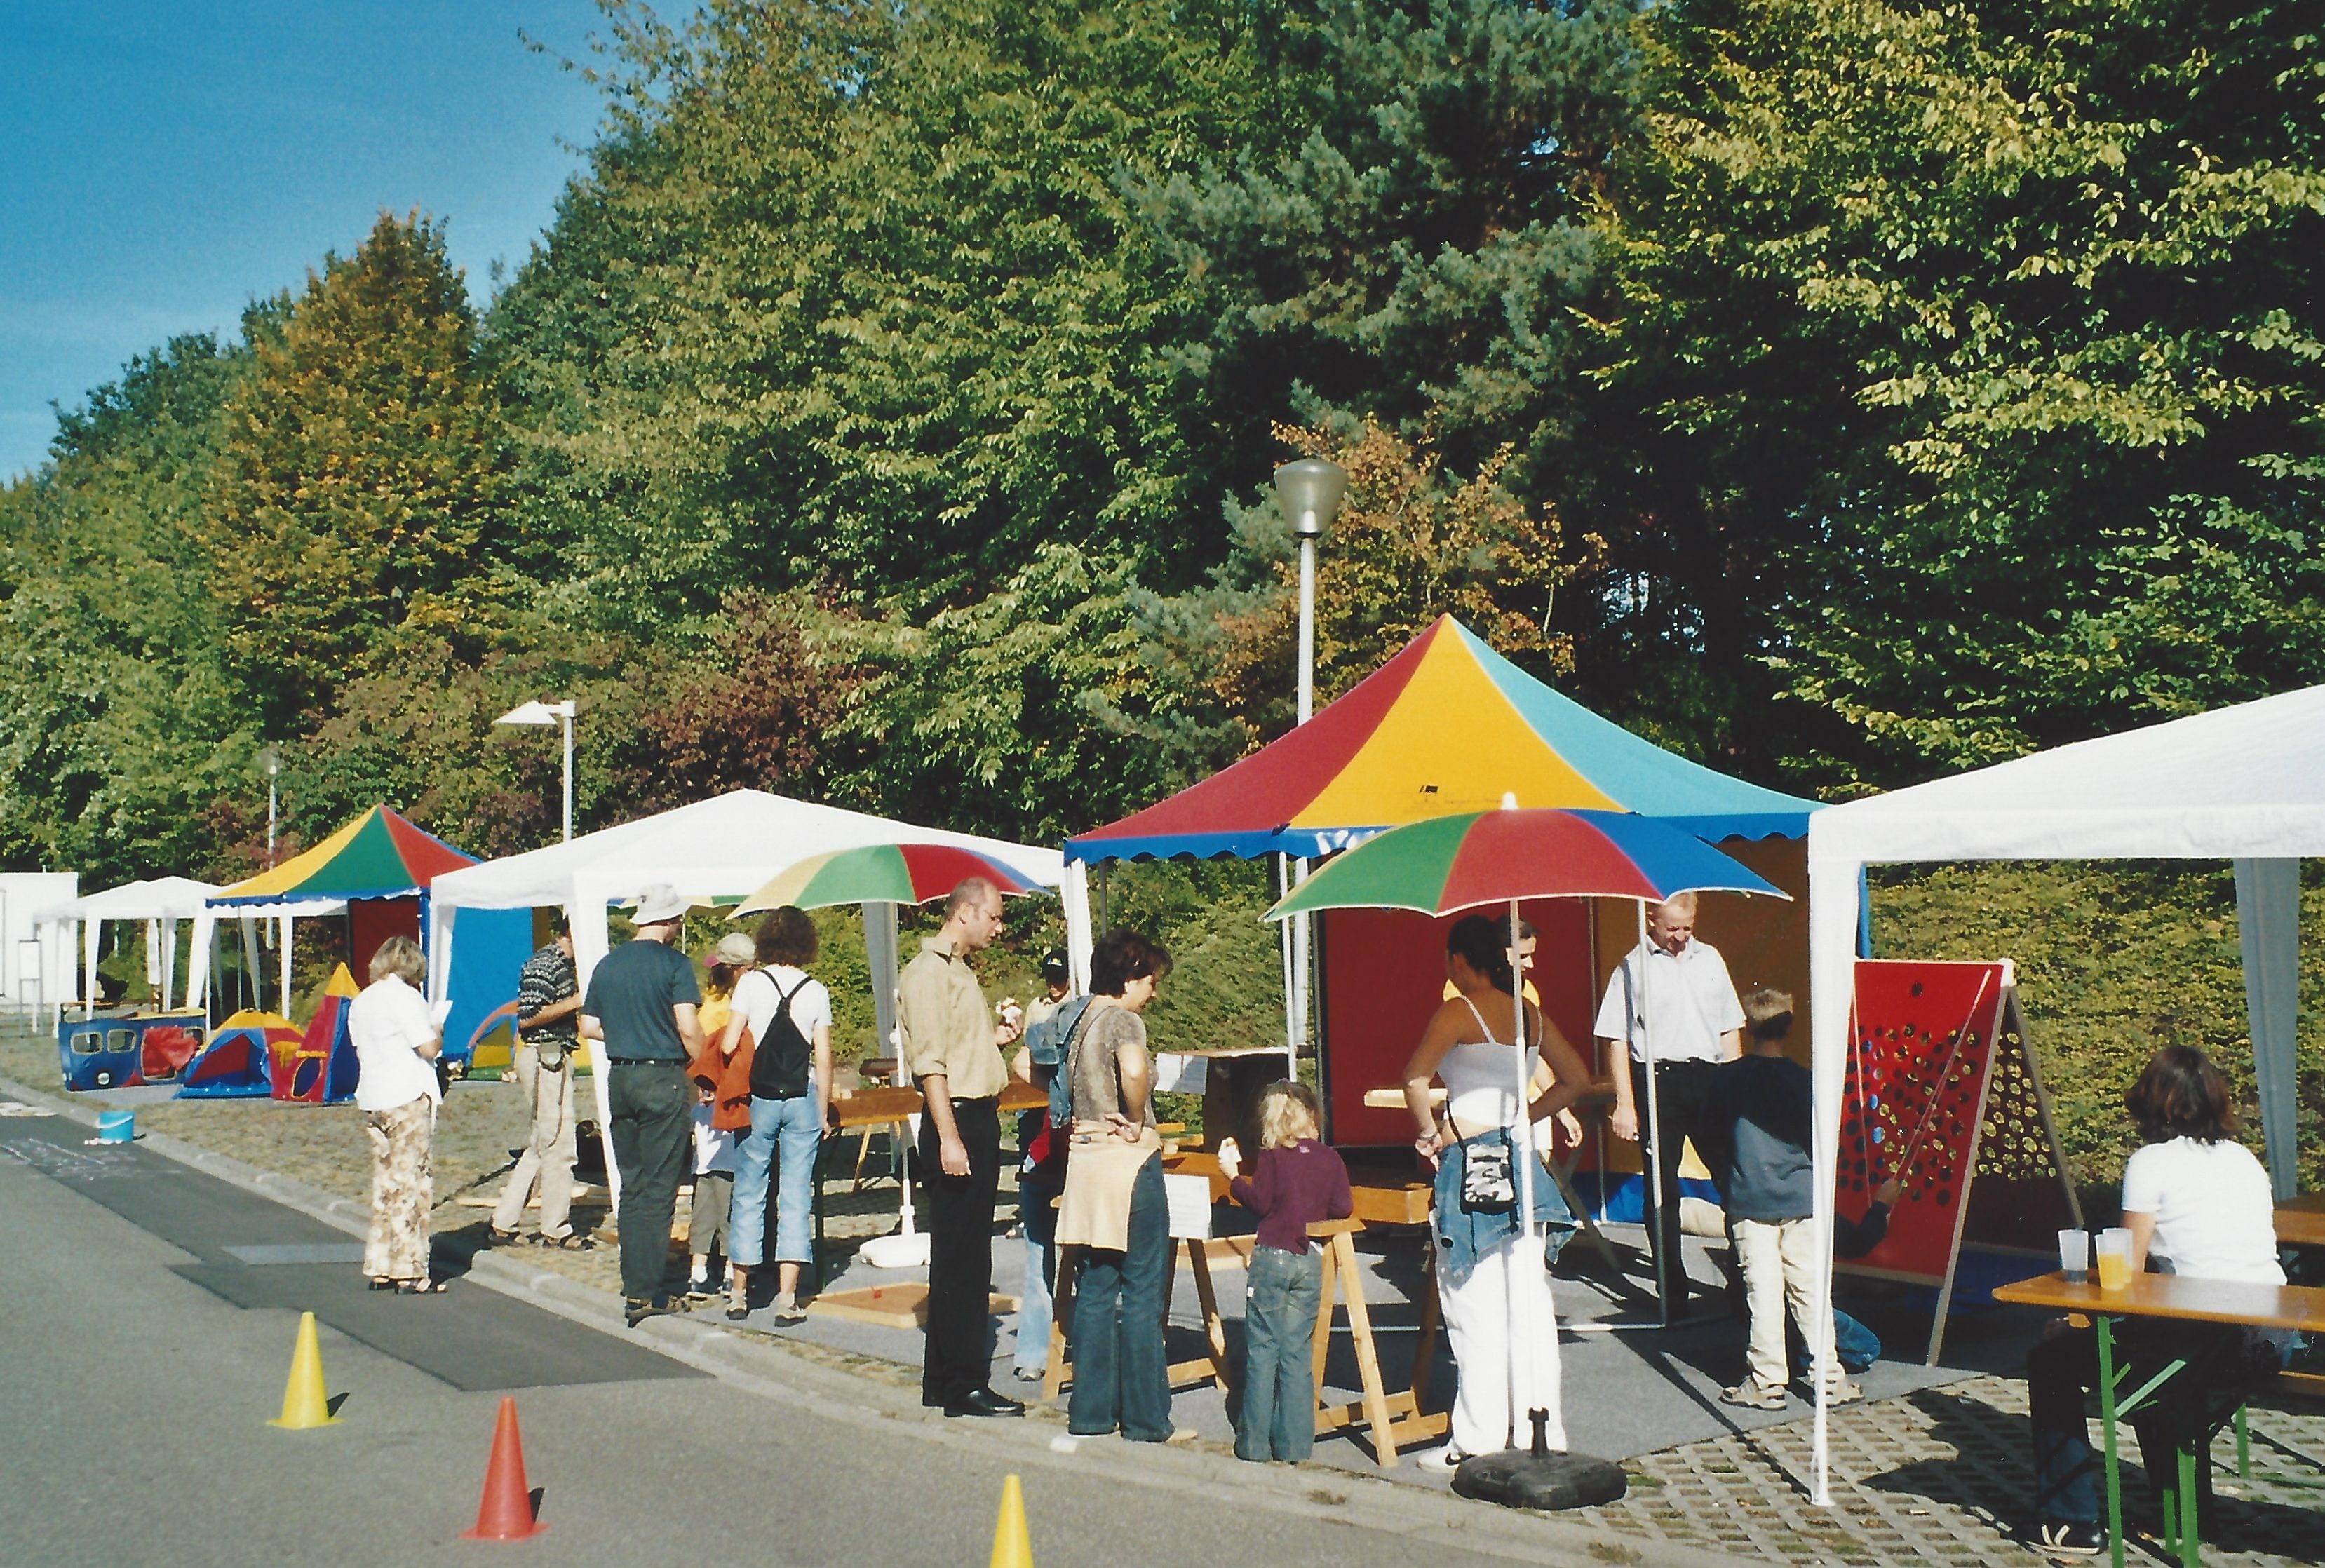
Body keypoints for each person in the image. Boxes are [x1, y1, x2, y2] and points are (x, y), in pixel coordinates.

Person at [2024, 1046, 2287, 1557]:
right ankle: (2183, 1510)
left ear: (2150, 1103)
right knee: (2150, 1360)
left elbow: (2129, 1269)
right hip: (2271, 1338)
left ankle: (2072, 1522)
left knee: (2055, 1360)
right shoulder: (2243, 1159)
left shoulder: (2150, 1162)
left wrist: (2078, 1321)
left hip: (2206, 1336)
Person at [1404, 915, 1593, 1468]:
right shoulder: (1530, 1014)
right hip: (1520, 1158)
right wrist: (1524, 1117)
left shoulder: (1457, 1011)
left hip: (1471, 1160)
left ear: (1460, 961)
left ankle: (1477, 1438)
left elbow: (1415, 1078)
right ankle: (1544, 1428)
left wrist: (1425, 1132)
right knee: (1528, 1296)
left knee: (1471, 1296)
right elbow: (1575, 1079)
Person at [897, 877, 1025, 1417]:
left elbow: (955, 1047)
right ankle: (964, 1385)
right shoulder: (928, 972)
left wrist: (994, 1040)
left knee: (962, 1256)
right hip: (959, 1121)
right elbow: (930, 1063)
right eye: (994, 917)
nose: (999, 928)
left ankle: (942, 1379)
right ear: (966, 912)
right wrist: (948, 1137)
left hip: (973, 1114)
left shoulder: (955, 970)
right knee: (963, 1260)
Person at [1699, 988, 1858, 1410]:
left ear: (1747, 1027)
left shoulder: (1727, 1080)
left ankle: (1766, 1382)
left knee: (1762, 1292)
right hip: (1802, 1198)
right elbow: (1824, 1141)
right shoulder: (1806, 1081)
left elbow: (1709, 1135)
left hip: (1748, 1198)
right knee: (1810, 1290)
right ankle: (1829, 1378)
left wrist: (1726, 1177)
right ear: (1790, 1027)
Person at [1595, 891, 1746, 1318]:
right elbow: (1616, 1038)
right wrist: (1625, 1102)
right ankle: (1672, 1290)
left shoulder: (1710, 959)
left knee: (1731, 1178)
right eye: (1672, 929)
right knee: (1661, 1186)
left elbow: (1729, 1028)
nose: (1680, 937)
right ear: (1650, 920)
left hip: (1709, 1076)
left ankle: (1742, 1282)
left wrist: (1734, 1088)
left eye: (1688, 928)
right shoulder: (1631, 966)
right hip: (1657, 1077)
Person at [1056, 929, 1175, 1442]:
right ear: (1129, 976)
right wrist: (1133, 1112)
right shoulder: (1124, 1020)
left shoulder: (1077, 1016)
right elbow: (1132, 1066)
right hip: (1126, 1159)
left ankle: (1090, 1413)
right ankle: (1147, 1420)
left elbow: (1027, 1062)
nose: (1153, 991)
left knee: (1097, 1287)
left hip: (1084, 1157)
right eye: (1149, 980)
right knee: (1143, 1289)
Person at [579, 884, 707, 1326]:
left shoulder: (608, 964)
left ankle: (634, 1279)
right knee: (659, 1186)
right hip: (662, 1076)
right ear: (672, 921)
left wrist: (628, 1035)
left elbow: (589, 1025)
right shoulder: (674, 964)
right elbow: (688, 1028)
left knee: (631, 1184)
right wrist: (704, 1064)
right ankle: (646, 1290)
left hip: (622, 1076)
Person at [1220, 1080, 1350, 1462]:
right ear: (1312, 1115)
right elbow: (1342, 1205)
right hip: (1309, 1258)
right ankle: (1294, 1446)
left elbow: (1259, 1202)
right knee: (1296, 1352)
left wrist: (1233, 1178)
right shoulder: (1330, 1158)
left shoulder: (1274, 1158)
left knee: (1262, 1350)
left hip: (1272, 1256)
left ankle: (1254, 1443)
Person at [723, 907, 833, 1325]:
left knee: (749, 1190)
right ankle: (788, 1298)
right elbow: (823, 1058)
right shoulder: (816, 990)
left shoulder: (751, 983)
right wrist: (822, 1111)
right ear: (806, 943)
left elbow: (731, 1042)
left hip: (759, 1098)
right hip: (801, 1096)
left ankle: (738, 1293)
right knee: (795, 1194)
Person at [349, 935, 447, 1294]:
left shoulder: (362, 1001)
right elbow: (427, 1048)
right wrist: (438, 1029)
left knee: (385, 1184)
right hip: (405, 1095)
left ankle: (380, 1264)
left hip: (373, 1096)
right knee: (412, 1184)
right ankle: (410, 1269)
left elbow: (360, 1046)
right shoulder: (407, 998)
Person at [1009, 946, 1085, 1383]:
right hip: (1049, 1162)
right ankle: (1040, 1353)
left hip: (1048, 1161)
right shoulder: (1048, 1017)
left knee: (1045, 1262)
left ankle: (1040, 1353)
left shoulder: (1050, 1023)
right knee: (1047, 1261)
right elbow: (1022, 1061)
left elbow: (1022, 1061)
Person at [490, 918, 588, 1248]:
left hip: (553, 1056)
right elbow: (528, 1015)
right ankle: (556, 1228)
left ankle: (504, 1221)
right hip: (546, 1057)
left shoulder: (564, 964)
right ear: (571, 932)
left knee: (542, 1143)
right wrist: (576, 1002)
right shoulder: (543, 964)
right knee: (560, 1145)